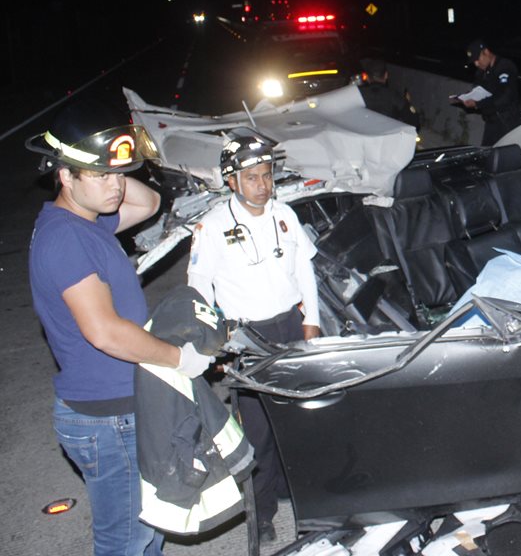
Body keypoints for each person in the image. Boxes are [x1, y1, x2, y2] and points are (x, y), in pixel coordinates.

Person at [26, 99, 214, 556]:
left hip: (122, 408)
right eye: (102, 177)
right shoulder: (65, 238)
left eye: (117, 175)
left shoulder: (88, 223)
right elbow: (105, 332)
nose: (115, 187)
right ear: (65, 174)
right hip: (105, 419)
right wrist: (179, 359)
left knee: (150, 530)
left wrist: (109, 159)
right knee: (125, 541)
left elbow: (149, 201)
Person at [185, 131, 320, 543]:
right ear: (232, 181)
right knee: (258, 432)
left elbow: (305, 271)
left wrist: (311, 321)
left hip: (289, 328)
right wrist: (213, 339)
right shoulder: (212, 226)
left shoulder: (285, 215)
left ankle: (307, 503)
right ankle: (260, 515)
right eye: (253, 178)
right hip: (246, 336)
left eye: (267, 175)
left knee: (299, 421)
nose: (264, 186)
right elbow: (199, 285)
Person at [456, 39, 521, 146]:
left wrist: (477, 103)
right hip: (491, 122)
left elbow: (505, 96)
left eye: (478, 59)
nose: (476, 64)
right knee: (487, 155)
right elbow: (479, 89)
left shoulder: (505, 66)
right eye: (474, 62)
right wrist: (470, 96)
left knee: (505, 157)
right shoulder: (482, 72)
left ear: (486, 52)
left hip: (506, 122)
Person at [357, 58, 420, 129]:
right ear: (386, 75)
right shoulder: (395, 96)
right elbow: (414, 122)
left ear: (367, 77)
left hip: (362, 136)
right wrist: (408, 103)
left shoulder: (357, 94)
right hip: (386, 138)